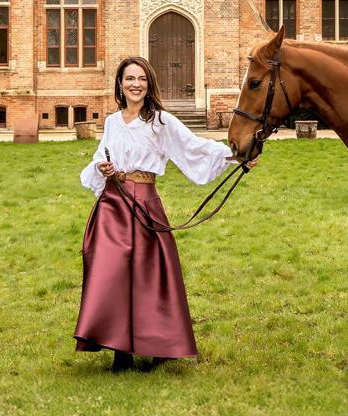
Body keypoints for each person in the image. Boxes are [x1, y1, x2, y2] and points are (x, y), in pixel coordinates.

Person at [74, 56, 254, 371]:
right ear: (120, 83)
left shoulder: (160, 121)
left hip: (144, 203)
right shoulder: (113, 122)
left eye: (141, 79)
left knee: (149, 276)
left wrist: (235, 155)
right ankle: (120, 349)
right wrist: (101, 167)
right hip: (112, 205)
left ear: (149, 84)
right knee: (111, 274)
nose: (135, 84)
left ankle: (159, 344)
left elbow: (193, 147)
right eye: (129, 78)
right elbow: (97, 158)